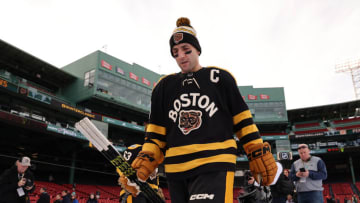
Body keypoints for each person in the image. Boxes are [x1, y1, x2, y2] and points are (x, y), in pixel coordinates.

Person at [122, 17, 277, 203]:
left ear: (198, 50)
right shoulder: (163, 87)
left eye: (187, 50)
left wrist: (256, 149)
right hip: (175, 171)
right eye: (175, 52)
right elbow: (155, 135)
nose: (181, 56)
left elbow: (242, 120)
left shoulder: (220, 79)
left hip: (214, 163)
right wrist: (144, 164)